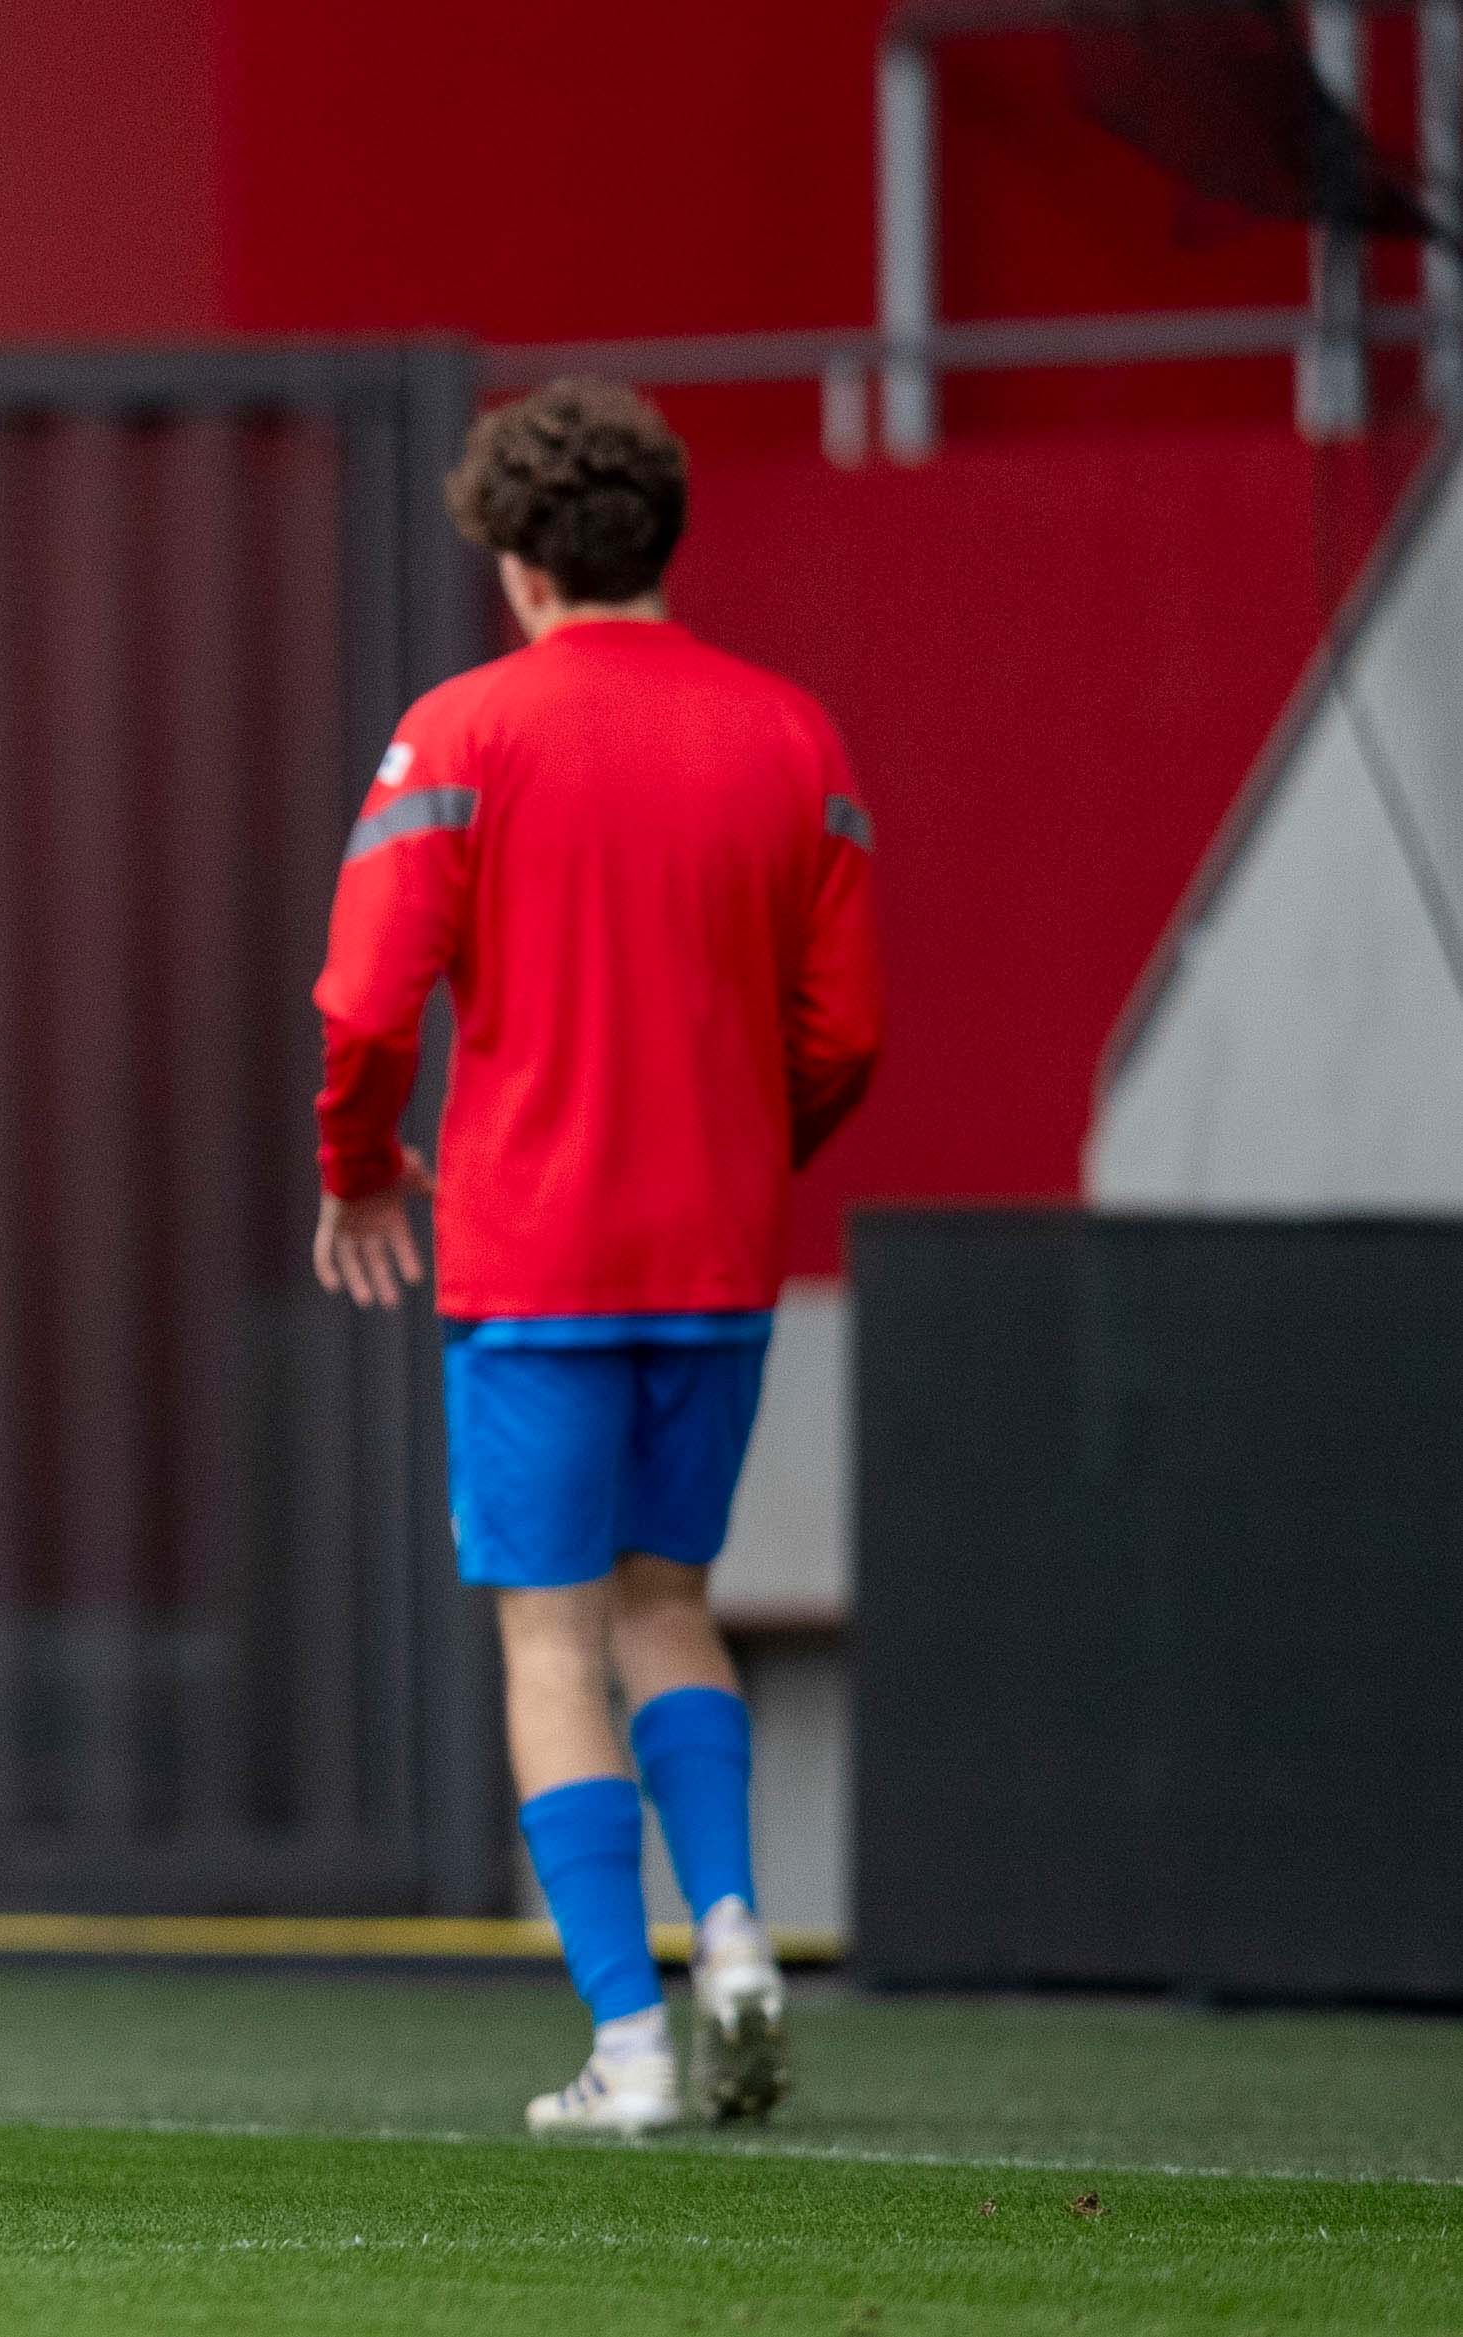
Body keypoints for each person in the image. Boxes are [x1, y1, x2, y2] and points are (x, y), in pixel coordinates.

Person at [309, 378, 880, 2138]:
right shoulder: (794, 733)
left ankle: (629, 2045)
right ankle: (734, 1938)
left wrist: (355, 1170)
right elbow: (845, 1027)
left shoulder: (460, 732)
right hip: (713, 1255)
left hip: (531, 1257)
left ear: (516, 562)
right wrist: (737, 1154)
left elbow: (359, 1002)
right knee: (667, 1601)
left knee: (550, 1638)